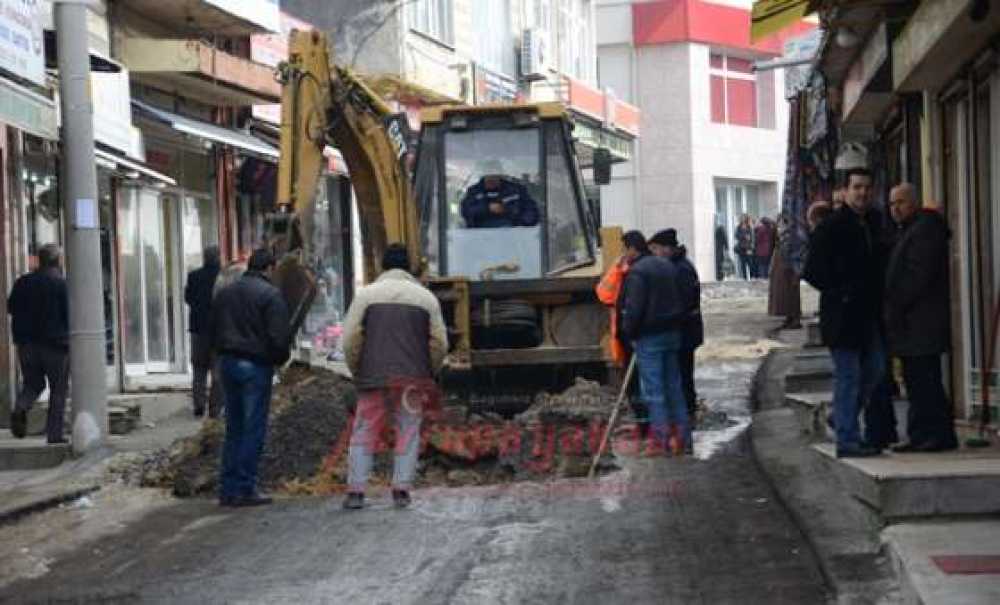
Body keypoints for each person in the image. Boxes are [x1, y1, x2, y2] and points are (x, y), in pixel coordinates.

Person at [341, 244, 448, 509]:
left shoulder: (366, 295)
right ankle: (401, 490)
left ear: (382, 266)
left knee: (364, 431)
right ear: (410, 267)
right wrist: (429, 371)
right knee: (408, 431)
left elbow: (350, 339)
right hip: (413, 380)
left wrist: (359, 370)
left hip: (373, 377)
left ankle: (356, 491)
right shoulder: (426, 298)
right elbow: (440, 343)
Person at [804, 168, 888, 458]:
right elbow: (812, 271)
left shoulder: (873, 223)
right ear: (846, 191)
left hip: (868, 316)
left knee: (876, 370)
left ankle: (841, 417)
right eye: (857, 187)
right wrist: (842, 292)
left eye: (867, 187)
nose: (862, 193)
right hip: (842, 318)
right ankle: (848, 440)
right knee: (849, 377)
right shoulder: (832, 226)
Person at [210, 248, 291, 507]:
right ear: (269, 268)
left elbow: (213, 328)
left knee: (234, 428)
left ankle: (228, 488)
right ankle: (245, 487)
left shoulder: (226, 293)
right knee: (252, 429)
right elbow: (279, 337)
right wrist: (277, 361)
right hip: (255, 366)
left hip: (227, 364)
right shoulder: (270, 295)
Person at [884, 183, 958, 452]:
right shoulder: (909, 230)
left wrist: (896, 303)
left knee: (925, 382)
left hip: (921, 322)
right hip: (912, 324)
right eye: (892, 204)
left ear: (914, 203)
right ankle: (922, 434)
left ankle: (935, 435)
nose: (895, 209)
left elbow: (917, 277)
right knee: (917, 382)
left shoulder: (924, 230)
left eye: (901, 202)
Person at [619, 232, 690, 455]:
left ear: (633, 249)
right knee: (674, 388)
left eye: (625, 250)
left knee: (654, 392)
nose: (623, 255)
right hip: (672, 333)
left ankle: (660, 441)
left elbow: (634, 308)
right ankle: (682, 439)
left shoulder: (637, 272)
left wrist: (629, 332)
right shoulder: (667, 266)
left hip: (649, 337)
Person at [7, 244, 69, 443]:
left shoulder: (22, 283)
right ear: (57, 261)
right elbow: (69, 315)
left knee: (33, 383)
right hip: (55, 346)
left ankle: (21, 407)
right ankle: (54, 434)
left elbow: (11, 308)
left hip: (26, 345)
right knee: (58, 389)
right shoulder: (61, 284)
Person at [649, 229, 703, 445]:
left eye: (655, 249)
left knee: (683, 375)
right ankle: (685, 415)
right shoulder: (677, 266)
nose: (653, 254)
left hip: (685, 331)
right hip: (683, 330)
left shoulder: (681, 269)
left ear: (666, 249)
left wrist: (665, 318)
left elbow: (683, 302)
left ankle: (687, 415)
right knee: (681, 374)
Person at [185, 246, 223, 418]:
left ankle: (198, 405)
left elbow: (188, 298)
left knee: (199, 369)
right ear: (218, 257)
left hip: (198, 330)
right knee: (217, 371)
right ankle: (215, 408)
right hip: (218, 331)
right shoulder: (223, 277)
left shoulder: (193, 276)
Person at [460, 160, 540, 228]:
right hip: (480, 239)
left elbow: (532, 214)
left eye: (494, 174)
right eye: (488, 175)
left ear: (500, 174)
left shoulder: (516, 191)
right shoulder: (474, 192)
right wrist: (487, 208)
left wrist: (508, 211)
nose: (491, 178)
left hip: (514, 238)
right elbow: (466, 212)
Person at [768, 213, 802, 330]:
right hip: (781, 262)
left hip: (790, 264)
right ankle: (789, 317)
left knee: (791, 291)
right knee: (783, 292)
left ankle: (794, 318)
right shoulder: (782, 232)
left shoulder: (794, 231)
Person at [735, 215, 756, 280]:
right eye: (741, 218)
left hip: (748, 248)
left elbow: (752, 238)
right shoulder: (738, 227)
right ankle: (745, 278)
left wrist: (751, 246)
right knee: (743, 264)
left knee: (750, 264)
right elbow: (736, 236)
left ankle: (752, 277)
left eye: (743, 218)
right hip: (741, 248)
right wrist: (744, 236)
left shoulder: (750, 227)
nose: (742, 219)